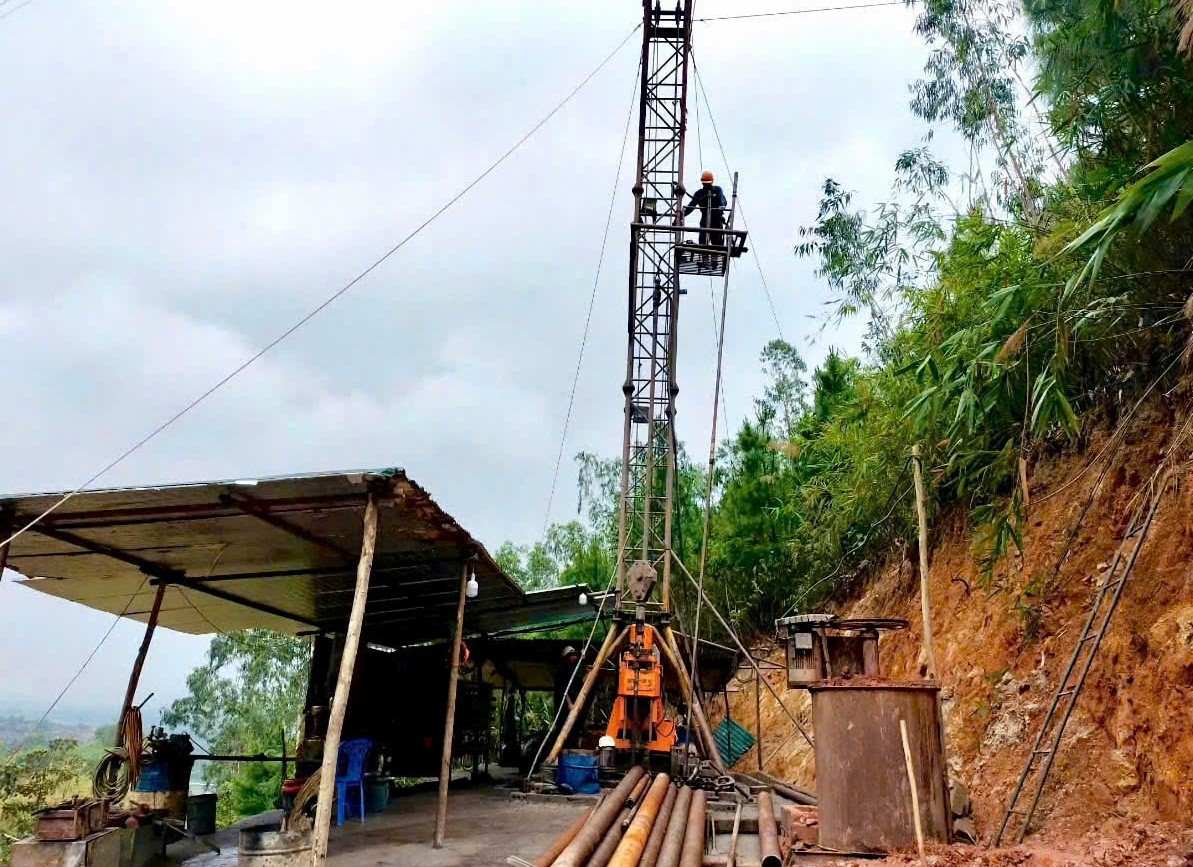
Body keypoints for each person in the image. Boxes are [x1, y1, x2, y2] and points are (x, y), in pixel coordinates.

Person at [684, 169, 727, 247]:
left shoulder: (716, 190)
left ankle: (711, 255)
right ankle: (707, 255)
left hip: (716, 220)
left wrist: (682, 215)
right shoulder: (701, 193)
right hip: (709, 220)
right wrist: (681, 215)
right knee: (705, 244)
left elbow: (723, 202)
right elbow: (690, 207)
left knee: (715, 244)